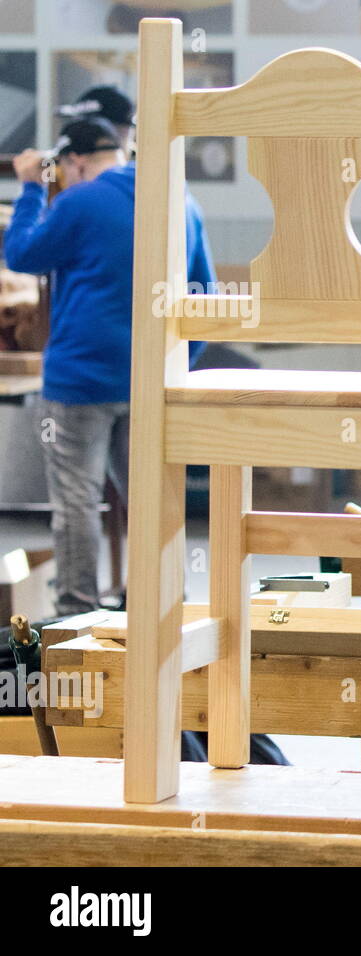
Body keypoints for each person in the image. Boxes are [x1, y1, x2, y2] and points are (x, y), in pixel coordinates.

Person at [5, 118, 213, 615]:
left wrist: (32, 188)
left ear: (74, 162)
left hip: (79, 381)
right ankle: (162, 606)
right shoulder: (179, 201)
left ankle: (77, 612)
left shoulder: (79, 201)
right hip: (149, 380)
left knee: (77, 499)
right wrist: (176, 367)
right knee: (151, 498)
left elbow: (21, 254)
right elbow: (206, 297)